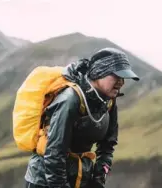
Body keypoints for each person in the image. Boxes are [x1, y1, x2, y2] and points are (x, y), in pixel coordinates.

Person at [24, 47, 140, 188]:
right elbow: (54, 153)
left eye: (123, 78)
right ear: (99, 72)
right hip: (44, 181)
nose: (121, 82)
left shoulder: (108, 102)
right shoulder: (70, 99)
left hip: (79, 178)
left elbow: (107, 145)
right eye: (116, 76)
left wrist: (99, 177)